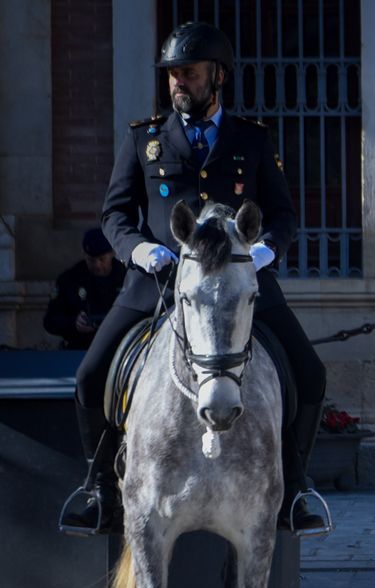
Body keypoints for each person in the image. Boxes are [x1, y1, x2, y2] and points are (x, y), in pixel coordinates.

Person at [59, 21, 329, 538]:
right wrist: (139, 250)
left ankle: (295, 489)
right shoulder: (145, 139)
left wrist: (265, 250)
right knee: (90, 376)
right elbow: (115, 214)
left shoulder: (251, 138)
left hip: (240, 283)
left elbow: (282, 214)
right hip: (158, 283)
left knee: (310, 374)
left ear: (218, 77)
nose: (179, 82)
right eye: (173, 74)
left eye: (190, 73)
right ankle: (100, 489)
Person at [43, 228, 125, 350]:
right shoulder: (70, 279)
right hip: (80, 348)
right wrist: (74, 323)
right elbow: (50, 321)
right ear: (84, 255)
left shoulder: (126, 277)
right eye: (91, 260)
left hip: (119, 348)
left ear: (112, 253)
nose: (97, 265)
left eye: (102, 259)